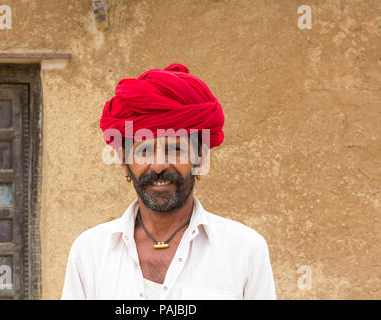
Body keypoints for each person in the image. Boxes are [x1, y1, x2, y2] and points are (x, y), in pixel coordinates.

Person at [61, 63, 276, 299]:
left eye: (174, 148)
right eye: (144, 151)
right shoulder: (89, 252)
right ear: (124, 161)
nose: (159, 165)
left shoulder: (245, 250)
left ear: (199, 157)